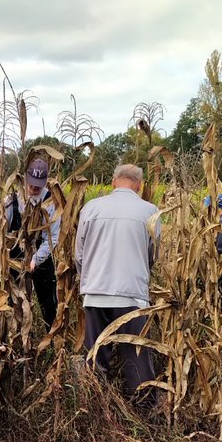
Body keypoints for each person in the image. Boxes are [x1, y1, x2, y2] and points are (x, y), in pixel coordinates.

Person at [75, 164, 158, 407]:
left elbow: (79, 255)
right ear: (139, 185)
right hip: (132, 296)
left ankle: (93, 409)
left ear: (113, 182)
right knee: (136, 358)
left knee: (96, 356)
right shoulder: (150, 211)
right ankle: (144, 411)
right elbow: (152, 254)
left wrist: (89, 280)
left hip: (96, 293)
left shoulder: (91, 208)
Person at [4, 158, 60, 328]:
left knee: (48, 302)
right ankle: (10, 336)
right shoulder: (12, 200)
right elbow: (3, 231)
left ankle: (52, 338)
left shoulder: (52, 202)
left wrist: (35, 259)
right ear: (26, 177)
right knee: (10, 298)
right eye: (31, 184)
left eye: (38, 185)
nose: (33, 188)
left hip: (41, 253)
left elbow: (54, 237)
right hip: (15, 254)